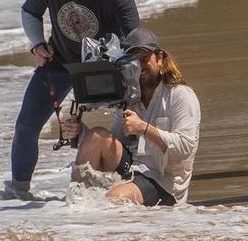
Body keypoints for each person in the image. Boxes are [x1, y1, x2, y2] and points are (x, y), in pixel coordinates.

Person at [9, 0, 140, 200]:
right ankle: (18, 191)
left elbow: (137, 40)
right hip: (60, 62)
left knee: (131, 123)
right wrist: (37, 44)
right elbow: (30, 11)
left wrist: (133, 75)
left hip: (105, 69)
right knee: (26, 126)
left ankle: (137, 179)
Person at [64, 27, 201, 206]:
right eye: (132, 61)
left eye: (144, 59)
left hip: (164, 181)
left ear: (159, 59)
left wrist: (143, 128)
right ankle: (74, 207)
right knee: (97, 137)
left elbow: (184, 148)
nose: (139, 66)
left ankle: (101, 214)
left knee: (115, 199)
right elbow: (114, 142)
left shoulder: (180, 95)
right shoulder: (131, 98)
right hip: (134, 169)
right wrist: (79, 131)